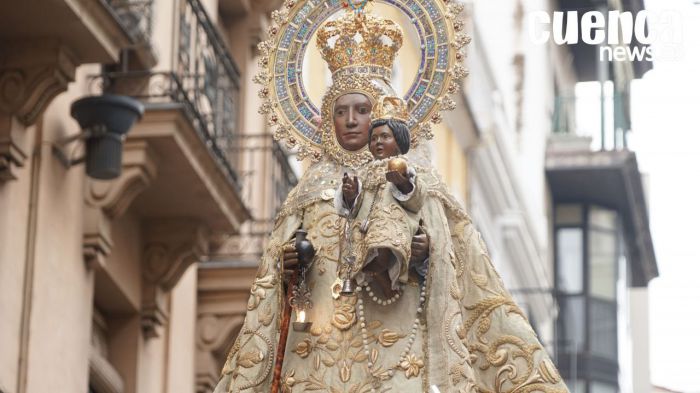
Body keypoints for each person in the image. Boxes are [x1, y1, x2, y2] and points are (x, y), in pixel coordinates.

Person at [215, 6, 569, 393]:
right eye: (340, 111)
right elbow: (274, 282)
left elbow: (457, 262)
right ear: (327, 120)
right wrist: (288, 265)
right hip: (316, 352)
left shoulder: (414, 181)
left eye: (362, 110)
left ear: (380, 117)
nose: (350, 120)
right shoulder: (307, 193)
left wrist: (423, 256)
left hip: (395, 351)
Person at [336, 95, 425, 298]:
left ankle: (386, 273)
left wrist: (402, 182)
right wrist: (350, 193)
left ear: (399, 140)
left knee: (384, 228)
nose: (378, 142)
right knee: (352, 234)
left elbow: (418, 196)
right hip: (366, 223)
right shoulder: (365, 170)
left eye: (385, 137)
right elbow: (356, 199)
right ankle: (379, 278)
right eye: (374, 138)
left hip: (395, 222)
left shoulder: (408, 167)